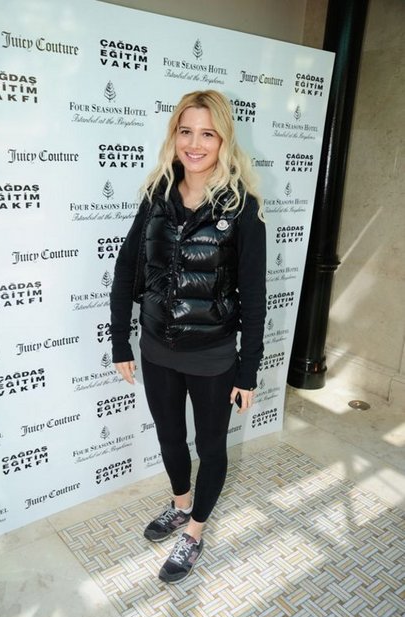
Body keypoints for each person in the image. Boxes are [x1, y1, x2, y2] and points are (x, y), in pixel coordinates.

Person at [110, 89, 266, 584]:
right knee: (170, 437)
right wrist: (120, 340)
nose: (195, 144)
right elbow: (126, 269)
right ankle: (180, 506)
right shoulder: (157, 195)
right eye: (186, 131)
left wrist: (248, 369)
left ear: (224, 141)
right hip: (157, 348)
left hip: (212, 356)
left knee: (211, 447)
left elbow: (254, 295)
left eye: (207, 134)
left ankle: (195, 532)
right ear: (174, 135)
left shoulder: (241, 207)